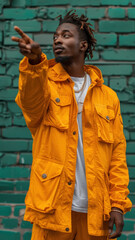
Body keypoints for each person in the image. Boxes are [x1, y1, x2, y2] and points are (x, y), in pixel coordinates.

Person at [11, 11, 132, 240]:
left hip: (96, 214)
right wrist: (35, 62)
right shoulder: (44, 82)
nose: (58, 40)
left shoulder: (108, 97)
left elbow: (117, 155)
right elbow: (30, 102)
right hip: (53, 209)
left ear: (83, 45)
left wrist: (117, 204)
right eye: (55, 36)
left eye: (66, 35)